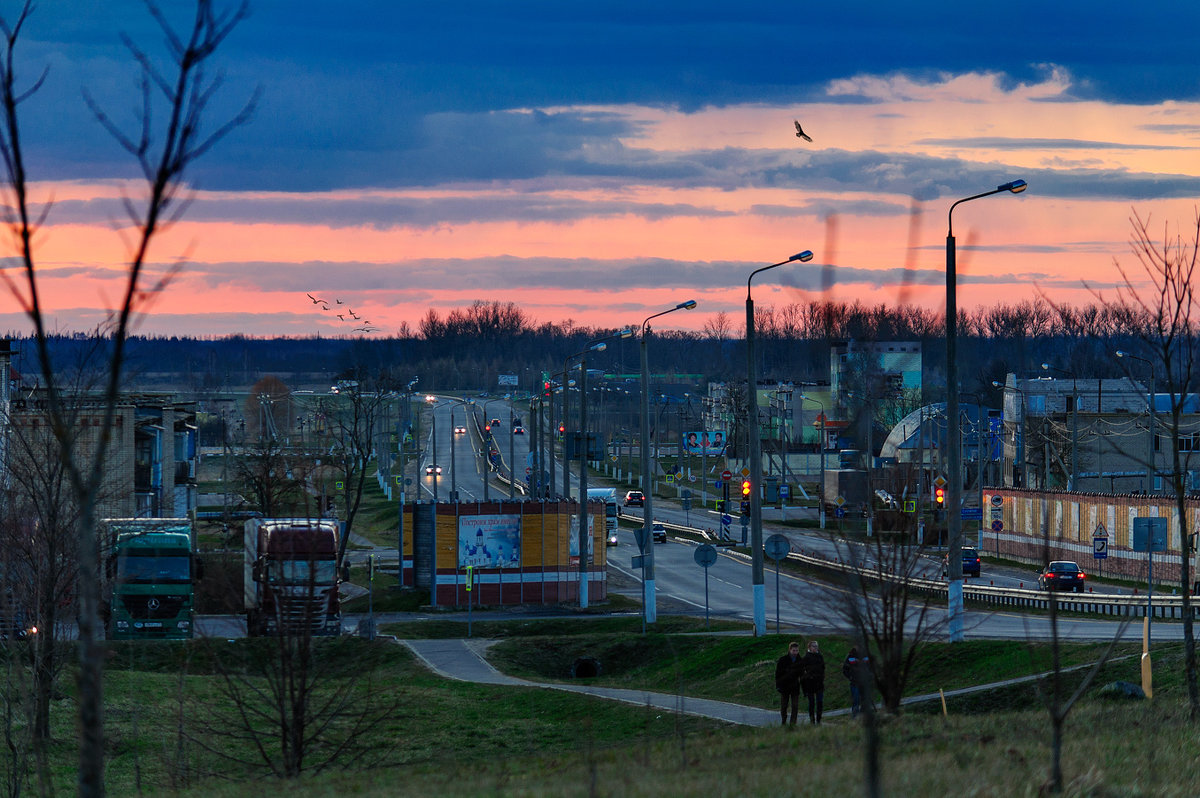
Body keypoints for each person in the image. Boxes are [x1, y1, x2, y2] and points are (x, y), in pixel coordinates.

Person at [774, 641, 803, 726]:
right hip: (784, 686)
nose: (795, 652)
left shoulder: (800, 660)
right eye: (794, 650)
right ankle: (784, 721)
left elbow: (802, 675)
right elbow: (778, 674)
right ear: (790, 650)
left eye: (797, 650)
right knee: (784, 706)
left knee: (795, 706)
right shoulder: (783, 660)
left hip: (795, 686)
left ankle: (793, 723)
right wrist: (778, 685)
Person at [800, 640, 826, 725]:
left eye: (816, 646)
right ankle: (812, 721)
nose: (815, 647)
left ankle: (819, 720)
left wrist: (822, 677)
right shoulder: (806, 658)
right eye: (814, 646)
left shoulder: (820, 656)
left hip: (819, 683)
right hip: (810, 684)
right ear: (809, 647)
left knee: (820, 702)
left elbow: (823, 668)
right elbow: (802, 672)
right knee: (811, 703)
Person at [842, 646, 870, 718]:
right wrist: (850, 677)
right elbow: (845, 669)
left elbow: (870, 667)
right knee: (856, 700)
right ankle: (855, 717)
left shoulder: (865, 655)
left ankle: (864, 716)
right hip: (854, 683)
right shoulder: (850, 656)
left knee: (865, 700)